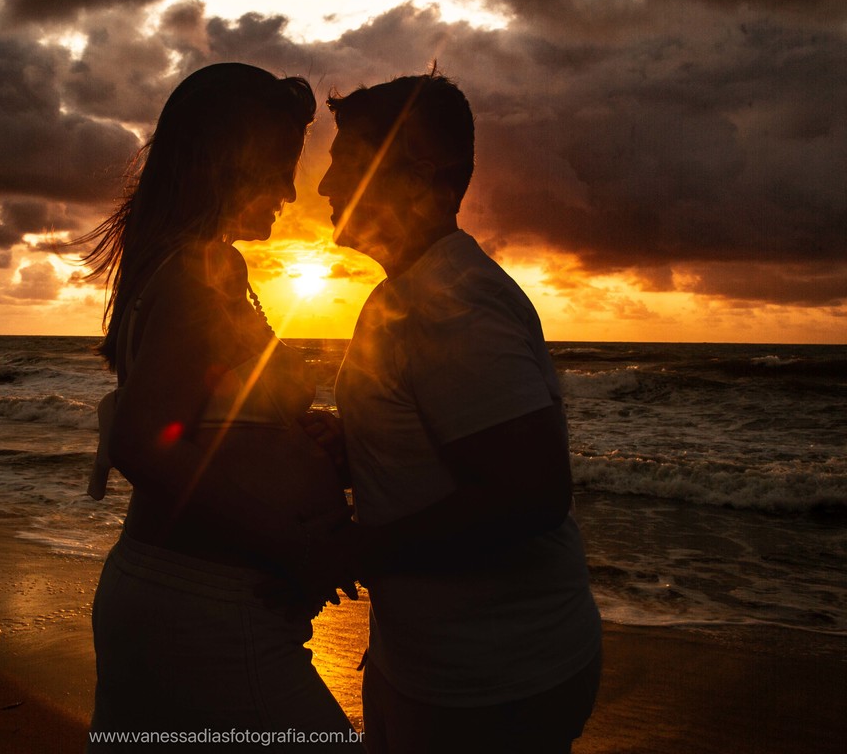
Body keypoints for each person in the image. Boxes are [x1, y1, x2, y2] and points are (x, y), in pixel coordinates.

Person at [80, 63, 362, 751]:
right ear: (223, 163)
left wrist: (293, 434)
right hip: (203, 608)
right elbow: (145, 441)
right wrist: (292, 543)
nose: (290, 190)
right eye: (275, 166)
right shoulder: (190, 277)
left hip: (184, 600)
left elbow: (204, 416)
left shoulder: (206, 268)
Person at [319, 71, 603, 753]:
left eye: (346, 166)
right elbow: (436, 442)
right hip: (436, 663)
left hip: (493, 682)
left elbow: (530, 494)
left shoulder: (453, 305)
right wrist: (351, 442)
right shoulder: (407, 292)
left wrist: (361, 549)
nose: (326, 187)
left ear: (419, 177)